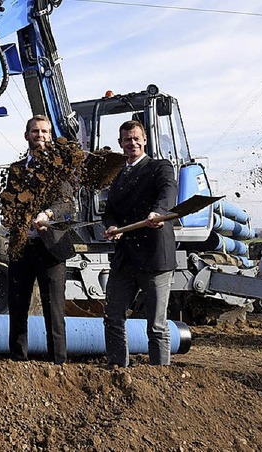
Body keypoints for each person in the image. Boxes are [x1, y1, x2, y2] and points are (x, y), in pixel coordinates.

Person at [102, 120, 178, 367]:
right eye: (126, 139)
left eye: (136, 138)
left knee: (156, 325)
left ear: (145, 139)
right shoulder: (118, 176)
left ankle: (161, 377)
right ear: (120, 144)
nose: (131, 143)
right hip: (125, 259)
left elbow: (168, 191)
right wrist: (111, 226)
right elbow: (110, 211)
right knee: (113, 317)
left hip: (154, 257)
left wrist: (158, 212)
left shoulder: (159, 167)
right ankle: (117, 369)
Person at [2, 115, 75, 365]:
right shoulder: (15, 170)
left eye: (45, 132)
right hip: (22, 248)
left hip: (51, 249)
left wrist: (47, 214)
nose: (40, 135)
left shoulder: (60, 170)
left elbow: (67, 206)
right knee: (18, 307)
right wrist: (12, 218)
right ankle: (17, 360)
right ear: (27, 136)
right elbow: (8, 203)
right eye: (35, 131)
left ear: (50, 137)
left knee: (54, 311)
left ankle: (58, 364)